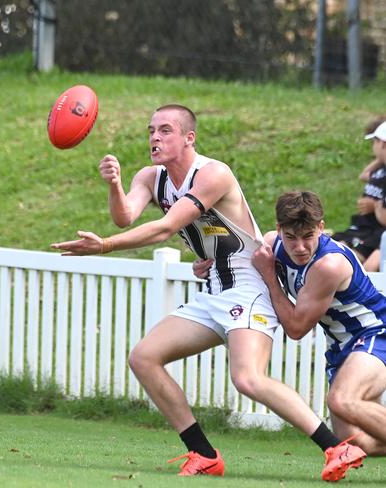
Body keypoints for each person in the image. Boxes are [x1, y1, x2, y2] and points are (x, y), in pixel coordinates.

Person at [51, 104, 365, 481]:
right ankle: (203, 453)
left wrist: (104, 246)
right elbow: (125, 217)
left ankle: (336, 446)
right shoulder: (151, 177)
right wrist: (115, 185)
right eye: (151, 130)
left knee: (248, 378)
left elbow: (166, 228)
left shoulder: (214, 174)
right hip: (215, 286)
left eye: (165, 130)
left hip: (249, 285)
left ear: (189, 138)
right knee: (144, 357)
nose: (154, 137)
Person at [250, 190, 386, 461]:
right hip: (340, 347)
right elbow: (233, 257)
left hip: (375, 332)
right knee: (357, 442)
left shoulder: (329, 264)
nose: (300, 247)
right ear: (278, 230)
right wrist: (206, 264)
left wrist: (269, 277)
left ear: (321, 228)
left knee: (341, 399)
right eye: (290, 237)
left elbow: (297, 329)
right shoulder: (270, 244)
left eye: (308, 236)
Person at [331, 118, 386, 272]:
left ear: (382, 143)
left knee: (344, 261)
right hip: (361, 227)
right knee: (331, 247)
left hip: (374, 232)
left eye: (374, 142)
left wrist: (373, 206)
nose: (372, 147)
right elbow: (364, 175)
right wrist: (380, 157)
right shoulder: (380, 169)